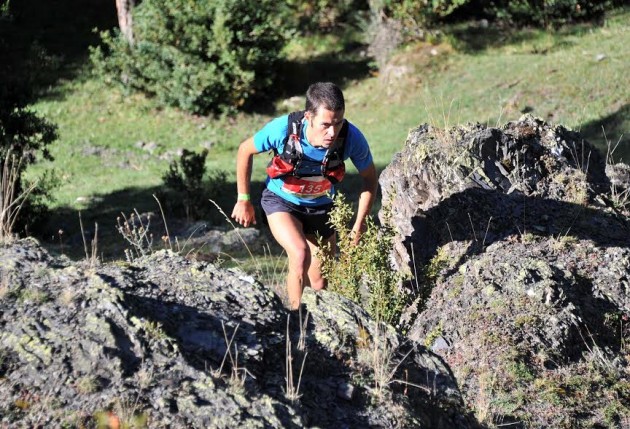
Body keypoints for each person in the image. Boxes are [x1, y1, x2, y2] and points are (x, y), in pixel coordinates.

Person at [231, 82, 377, 310]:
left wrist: (360, 225)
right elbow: (244, 150)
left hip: (323, 208)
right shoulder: (283, 129)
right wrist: (243, 199)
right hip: (281, 201)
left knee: (319, 282)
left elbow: (370, 179)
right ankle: (296, 322)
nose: (332, 132)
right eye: (325, 124)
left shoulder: (351, 138)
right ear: (308, 117)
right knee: (299, 255)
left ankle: (316, 328)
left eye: (338, 123)